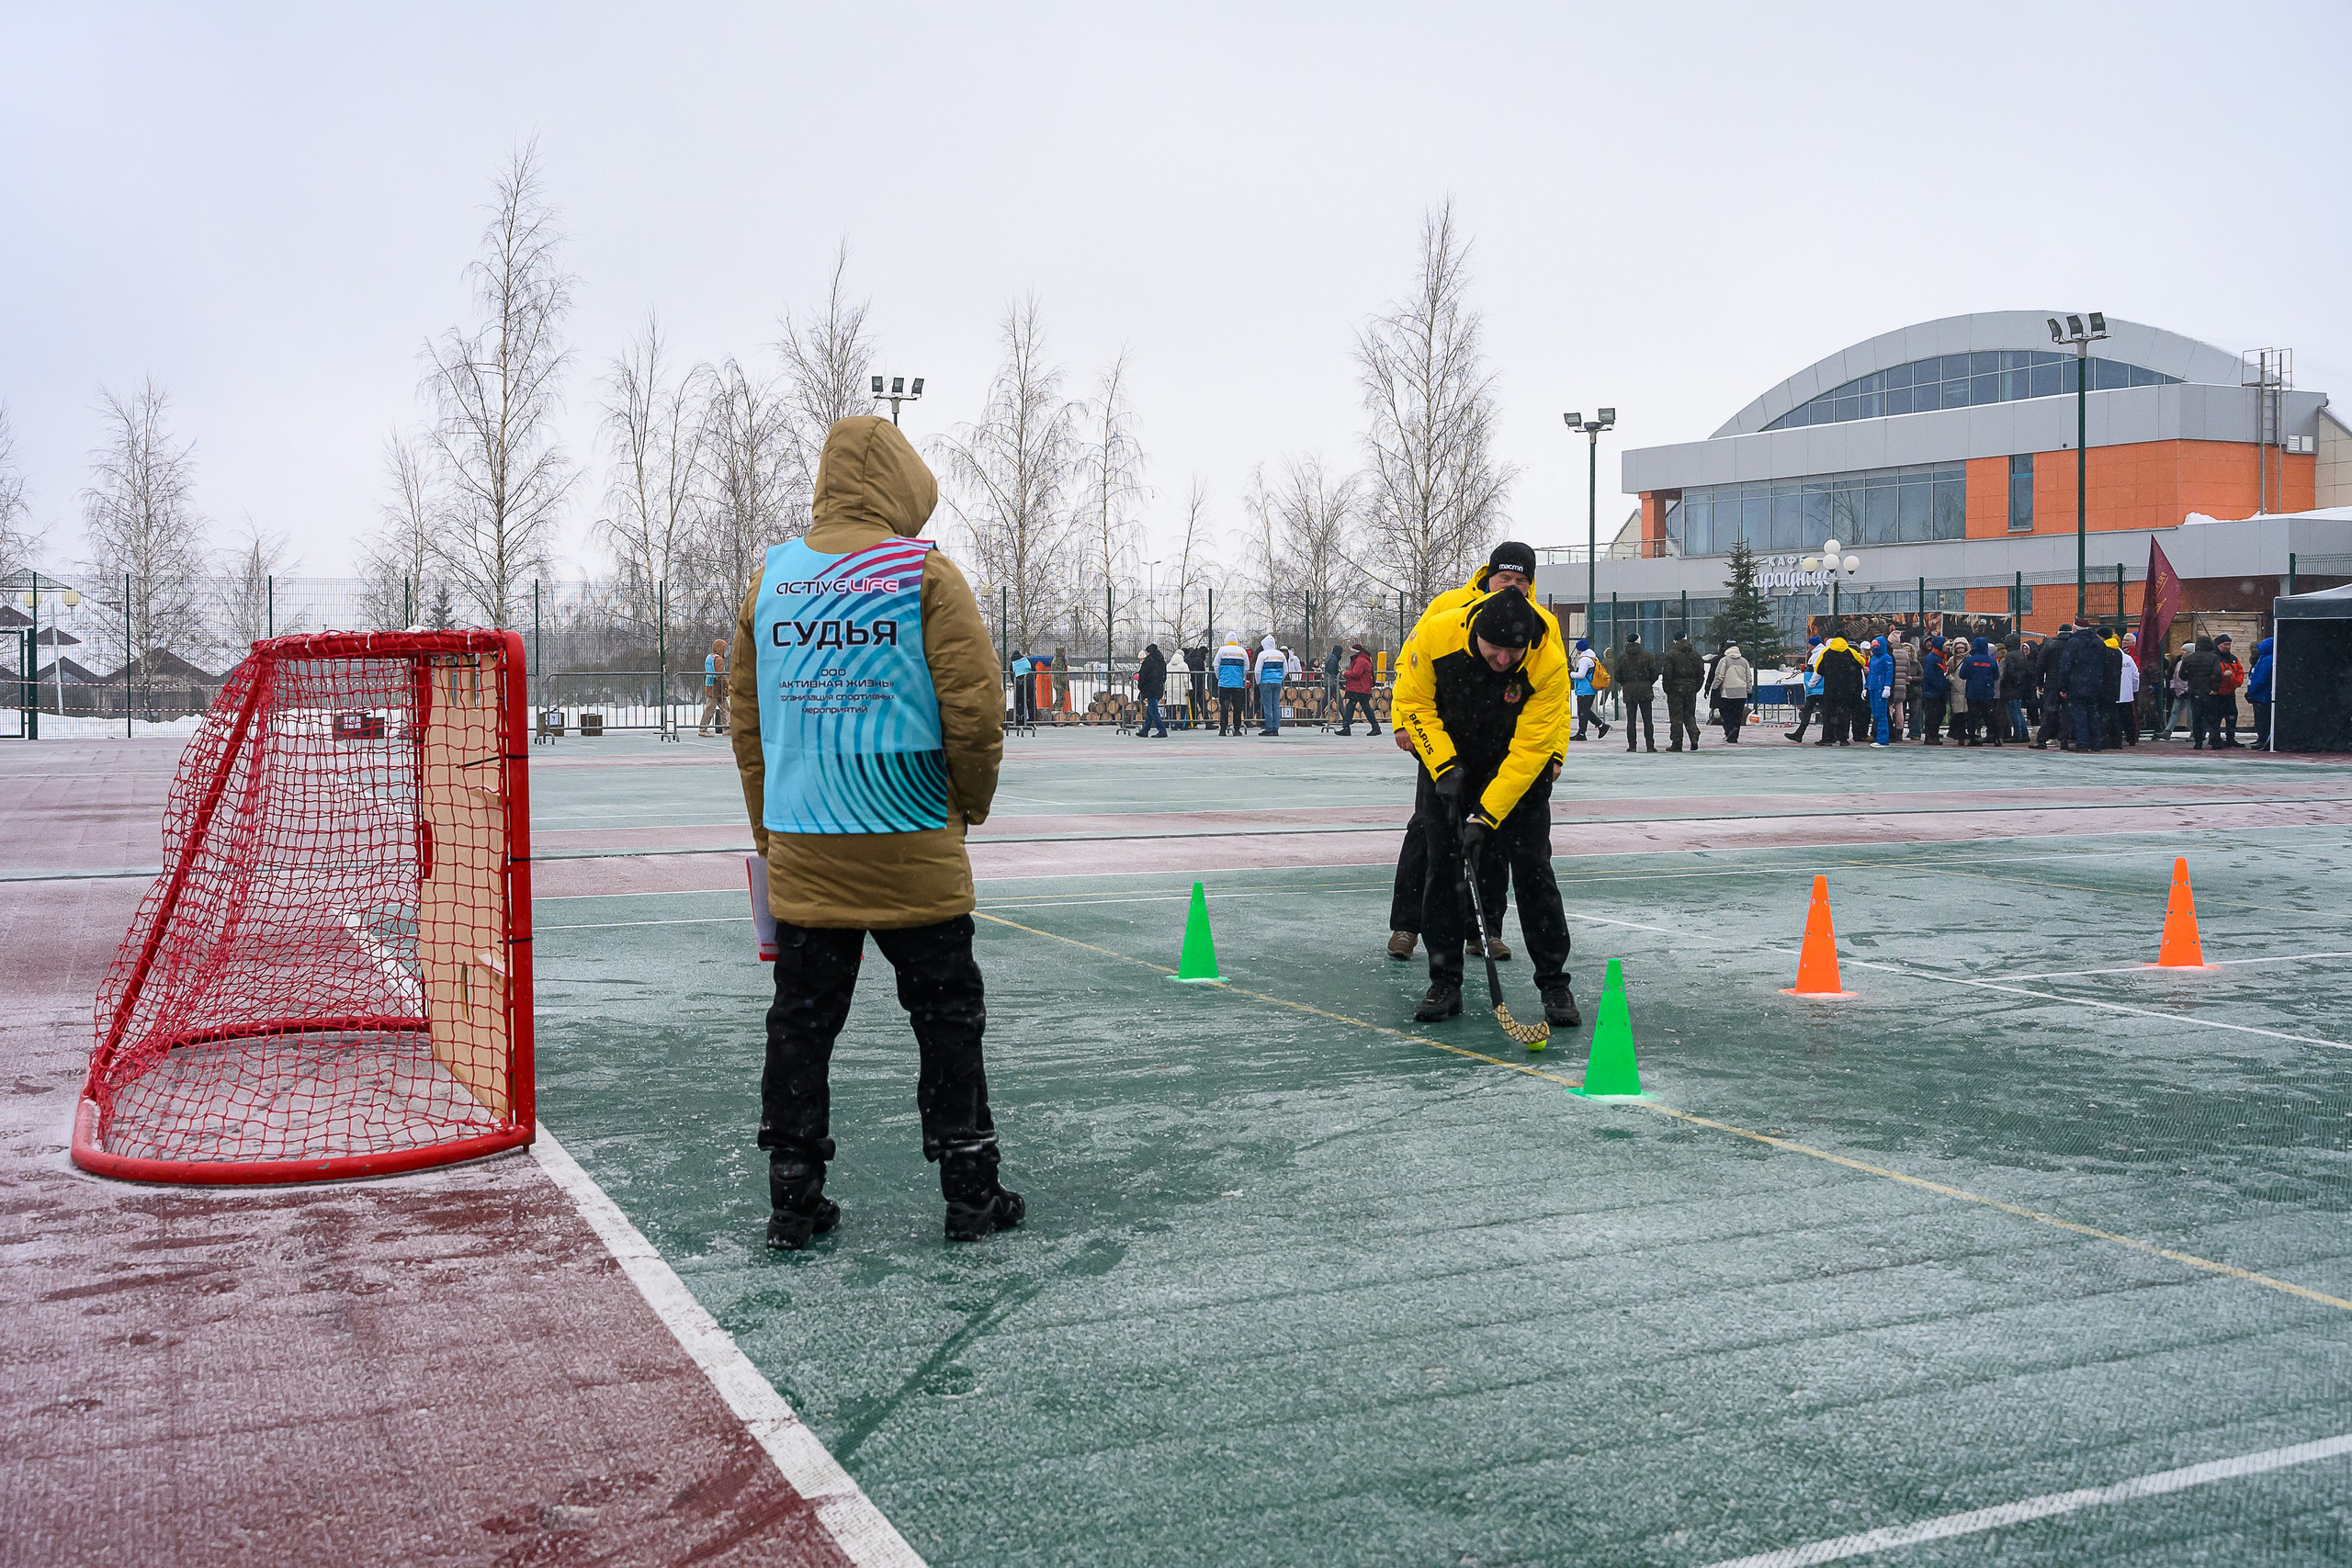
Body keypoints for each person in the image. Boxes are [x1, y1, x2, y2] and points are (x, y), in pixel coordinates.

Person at [729, 414, 1019, 1249]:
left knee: (801, 1024)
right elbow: (974, 714)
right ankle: (971, 1188)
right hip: (913, 838)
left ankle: (793, 1197)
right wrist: (966, 805)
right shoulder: (924, 575)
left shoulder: (771, 581)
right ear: (902, 485)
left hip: (807, 844)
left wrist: (772, 831)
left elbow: (750, 732)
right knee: (947, 1019)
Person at [1394, 587, 1577, 1029]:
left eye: (1513, 652)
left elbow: (1532, 748)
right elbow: (1414, 703)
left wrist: (1486, 816)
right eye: (1496, 650)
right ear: (1477, 633)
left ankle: (1553, 982)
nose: (1504, 661)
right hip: (1449, 764)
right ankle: (1445, 983)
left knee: (1534, 871)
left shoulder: (1546, 661)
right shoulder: (1436, 637)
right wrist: (1444, 767)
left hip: (1516, 769)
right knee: (1443, 870)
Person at [1384, 541, 1549, 963]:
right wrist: (1404, 721)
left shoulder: (1539, 625)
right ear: (1488, 575)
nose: (1510, 586)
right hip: (1443, 743)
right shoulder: (1448, 607)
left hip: (1501, 747)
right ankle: (1407, 925)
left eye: (1520, 581)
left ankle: (1485, 930)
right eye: (1504, 578)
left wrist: (1556, 754)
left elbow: (1553, 700)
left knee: (1490, 840)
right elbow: (1410, 666)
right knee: (1427, 832)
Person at [2065, 620, 2109, 752]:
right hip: (2095, 684)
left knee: (2080, 714)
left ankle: (2082, 742)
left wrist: (2063, 686)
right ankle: (2096, 742)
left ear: (2076, 629)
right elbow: (2105, 665)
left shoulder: (2073, 643)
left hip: (2077, 685)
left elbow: (2066, 665)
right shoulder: (2099, 643)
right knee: (2094, 713)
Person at [1614, 631, 1659, 751]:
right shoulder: (1647, 655)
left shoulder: (1622, 657)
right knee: (1647, 719)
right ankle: (1650, 745)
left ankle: (1632, 745)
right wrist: (1648, 682)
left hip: (1629, 690)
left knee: (1631, 720)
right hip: (1645, 689)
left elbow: (1617, 674)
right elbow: (1654, 673)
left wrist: (1625, 683)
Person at [1816, 635, 1863, 745]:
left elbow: (1819, 669)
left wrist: (1830, 674)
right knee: (1844, 713)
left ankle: (1827, 738)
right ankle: (1843, 739)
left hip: (1830, 688)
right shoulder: (1850, 652)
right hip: (1846, 689)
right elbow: (1861, 663)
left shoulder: (1826, 653)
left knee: (1829, 714)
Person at [1662, 634, 1705, 750]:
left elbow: (1667, 674)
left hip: (1675, 689)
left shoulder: (1672, 655)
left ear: (1674, 640)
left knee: (1676, 716)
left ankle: (1677, 743)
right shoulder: (1695, 655)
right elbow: (1701, 673)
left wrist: (1667, 688)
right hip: (1691, 688)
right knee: (1689, 714)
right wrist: (1696, 687)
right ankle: (1694, 734)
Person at [2180, 635, 2222, 749]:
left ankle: (2198, 741)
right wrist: (2215, 688)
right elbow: (2217, 674)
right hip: (2209, 692)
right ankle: (2215, 741)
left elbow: (2182, 675)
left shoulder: (2189, 658)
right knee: (2212, 717)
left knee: (2197, 717)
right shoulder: (2213, 658)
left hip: (2194, 692)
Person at [1709, 641, 1755, 742]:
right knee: (1738, 715)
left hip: (1728, 692)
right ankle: (1735, 734)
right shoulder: (1744, 661)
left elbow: (1719, 676)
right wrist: (1749, 691)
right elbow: (1748, 678)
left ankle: (1730, 730)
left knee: (1726, 713)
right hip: (1741, 692)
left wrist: (1714, 687)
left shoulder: (1724, 660)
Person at [1961, 637, 2001, 746]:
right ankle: (1995, 737)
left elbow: (1962, 675)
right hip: (1987, 692)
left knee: (1973, 715)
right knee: (1989, 715)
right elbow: (1996, 676)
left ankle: (1973, 738)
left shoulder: (1969, 660)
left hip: (1972, 692)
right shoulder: (1992, 661)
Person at [1784, 636, 1826, 742]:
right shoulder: (1815, 654)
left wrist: (1811, 683)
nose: (1808, 645)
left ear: (1814, 644)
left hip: (1816, 689)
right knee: (1809, 712)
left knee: (1818, 712)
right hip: (1815, 689)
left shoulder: (1818, 654)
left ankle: (1828, 735)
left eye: (1809, 643)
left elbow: (1818, 671)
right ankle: (1799, 734)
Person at [1571, 637, 1611, 741]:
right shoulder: (1592, 658)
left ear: (1580, 649)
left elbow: (1581, 675)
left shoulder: (1584, 659)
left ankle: (1583, 732)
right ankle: (1599, 727)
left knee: (1583, 712)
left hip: (1585, 688)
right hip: (1589, 688)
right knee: (1584, 711)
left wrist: (1570, 673)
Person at [1337, 641, 1380, 734]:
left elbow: (1356, 673)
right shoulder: (1363, 659)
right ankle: (1375, 727)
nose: (1351, 653)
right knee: (1363, 707)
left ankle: (1346, 727)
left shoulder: (1360, 660)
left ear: (1356, 651)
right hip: (1361, 688)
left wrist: (1345, 673)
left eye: (1352, 651)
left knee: (1352, 706)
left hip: (1358, 688)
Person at [1215, 635, 1250, 735]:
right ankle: (1237, 729)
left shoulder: (1222, 650)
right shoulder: (1242, 651)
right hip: (1237, 684)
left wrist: (1220, 677)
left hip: (1224, 684)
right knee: (1237, 708)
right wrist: (1241, 677)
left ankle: (1223, 730)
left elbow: (1216, 665)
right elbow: (1246, 667)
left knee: (1224, 707)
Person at [1999, 634, 2030, 744]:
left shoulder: (2011, 656)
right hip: (2019, 686)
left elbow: (2009, 672)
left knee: (2013, 711)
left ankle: (2017, 734)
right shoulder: (2022, 654)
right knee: (2018, 711)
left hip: (2011, 687)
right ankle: (2024, 733)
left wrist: (2003, 683)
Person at [2214, 636, 2245, 747]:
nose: (2228, 647)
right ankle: (2215, 737)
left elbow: (2240, 672)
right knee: (2216, 717)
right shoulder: (2214, 658)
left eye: (2229, 644)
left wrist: (2236, 682)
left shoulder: (2233, 658)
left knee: (2232, 716)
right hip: (2217, 694)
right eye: (2225, 644)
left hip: (2230, 693)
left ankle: (2230, 738)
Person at [1885, 630, 1916, 742]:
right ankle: (1899, 731)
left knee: (1889, 708)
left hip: (1892, 684)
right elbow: (1907, 668)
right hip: (1902, 684)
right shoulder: (1904, 653)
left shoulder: (1889, 653)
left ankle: (1889, 730)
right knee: (1899, 708)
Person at [1253, 635, 1285, 735]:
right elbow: (1286, 670)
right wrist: (1279, 678)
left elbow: (1257, 670)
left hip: (1266, 682)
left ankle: (1269, 728)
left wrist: (1259, 682)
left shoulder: (1263, 654)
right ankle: (1276, 728)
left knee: (1267, 706)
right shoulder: (1281, 655)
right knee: (1276, 704)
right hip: (1277, 682)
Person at [1135, 642, 1169, 738]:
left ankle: (1162, 730)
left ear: (1149, 652)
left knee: (1153, 711)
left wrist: (1141, 686)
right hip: (1158, 688)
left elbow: (1143, 675)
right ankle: (1145, 730)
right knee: (1150, 711)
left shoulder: (1148, 661)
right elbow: (1164, 676)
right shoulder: (1162, 661)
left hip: (1150, 688)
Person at [1864, 637, 1894, 746]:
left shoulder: (1887, 658)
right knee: (1876, 714)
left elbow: (1889, 673)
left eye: (1876, 646)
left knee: (1881, 714)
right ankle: (1880, 737)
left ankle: (1883, 739)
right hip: (1873, 688)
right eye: (1873, 646)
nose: (1874, 648)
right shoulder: (1873, 659)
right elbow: (1871, 674)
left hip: (1880, 688)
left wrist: (1887, 687)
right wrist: (1866, 686)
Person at [2247, 636, 2274, 749]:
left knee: (2262, 719)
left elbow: (2261, 677)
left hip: (2262, 695)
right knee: (2260, 718)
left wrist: (2253, 690)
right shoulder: (2263, 658)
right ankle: (2261, 738)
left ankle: (2263, 739)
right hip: (2259, 694)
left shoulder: (2267, 659)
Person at [2113, 634, 2140, 746]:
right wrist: (2134, 690)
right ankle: (2131, 738)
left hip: (2114, 693)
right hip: (2127, 694)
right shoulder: (2128, 658)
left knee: (2116, 718)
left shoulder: (2111, 657)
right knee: (2128, 717)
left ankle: (2117, 739)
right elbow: (2135, 675)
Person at [700, 637, 729, 735]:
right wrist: (726, 685)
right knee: (711, 709)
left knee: (725, 708)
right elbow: (720, 675)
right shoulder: (719, 659)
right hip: (717, 688)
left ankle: (727, 728)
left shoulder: (709, 657)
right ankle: (703, 729)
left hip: (709, 685)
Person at [1182, 644, 1208, 728]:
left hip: (1191, 684)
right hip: (1198, 684)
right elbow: (1201, 674)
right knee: (1202, 703)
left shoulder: (1189, 658)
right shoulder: (1199, 660)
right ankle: (1208, 722)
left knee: (1192, 703)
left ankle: (1191, 722)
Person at [1009, 649, 1035, 728]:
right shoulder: (1027, 659)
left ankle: (1020, 720)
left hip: (1019, 682)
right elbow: (1034, 669)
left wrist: (1015, 684)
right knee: (1031, 702)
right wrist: (1032, 681)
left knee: (1019, 702)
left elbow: (1011, 675)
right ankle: (1031, 721)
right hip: (1029, 681)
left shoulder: (1013, 663)